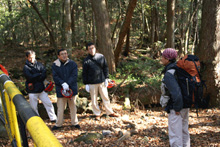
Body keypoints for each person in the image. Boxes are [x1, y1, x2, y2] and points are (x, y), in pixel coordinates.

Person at [160, 48, 190, 147]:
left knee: (175, 135)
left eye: (162, 57)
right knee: (184, 131)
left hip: (176, 107)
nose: (161, 59)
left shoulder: (170, 73)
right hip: (186, 105)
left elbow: (176, 92)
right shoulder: (179, 69)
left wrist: (177, 107)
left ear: (167, 59)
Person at [82, 42, 119, 120]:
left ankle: (110, 112)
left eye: (93, 48)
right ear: (88, 50)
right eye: (90, 49)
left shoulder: (101, 57)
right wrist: (86, 84)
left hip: (102, 81)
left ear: (95, 48)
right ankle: (97, 113)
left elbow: (105, 68)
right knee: (94, 99)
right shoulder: (86, 60)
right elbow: (84, 73)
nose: (91, 50)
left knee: (105, 97)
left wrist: (106, 78)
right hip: (92, 83)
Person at [23, 50, 57, 122]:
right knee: (33, 107)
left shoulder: (40, 64)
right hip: (32, 90)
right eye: (29, 58)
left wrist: (36, 76)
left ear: (35, 56)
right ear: (27, 58)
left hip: (41, 89)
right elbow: (29, 77)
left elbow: (44, 74)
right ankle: (37, 120)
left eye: (32, 57)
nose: (31, 59)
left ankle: (53, 118)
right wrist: (38, 75)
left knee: (48, 103)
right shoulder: (26, 67)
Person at [51, 49, 80, 130]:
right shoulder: (55, 65)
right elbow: (55, 76)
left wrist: (68, 83)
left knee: (73, 106)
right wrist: (62, 83)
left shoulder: (72, 63)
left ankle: (75, 122)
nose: (64, 55)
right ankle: (58, 124)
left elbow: (74, 75)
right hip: (60, 89)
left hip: (71, 88)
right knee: (60, 108)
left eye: (65, 53)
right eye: (62, 54)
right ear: (58, 56)